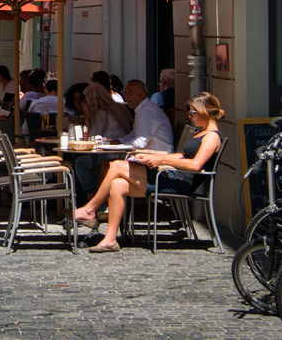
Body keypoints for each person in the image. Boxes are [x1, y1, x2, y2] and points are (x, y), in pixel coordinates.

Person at [74, 91, 225, 253]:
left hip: (180, 182)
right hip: (172, 176)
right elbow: (182, 156)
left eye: (193, 112)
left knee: (116, 166)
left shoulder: (212, 137)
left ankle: (90, 209)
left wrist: (161, 161)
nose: (190, 115)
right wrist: (153, 155)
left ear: (205, 111)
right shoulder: (201, 132)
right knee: (118, 184)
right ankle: (110, 239)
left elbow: (196, 165)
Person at [119, 80, 175, 152]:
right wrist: (118, 141)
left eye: (130, 93)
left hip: (158, 157)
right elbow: (134, 134)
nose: (126, 97)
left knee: (110, 163)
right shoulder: (143, 108)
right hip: (152, 155)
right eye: (125, 93)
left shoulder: (147, 111)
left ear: (142, 94)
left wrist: (120, 146)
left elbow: (141, 142)